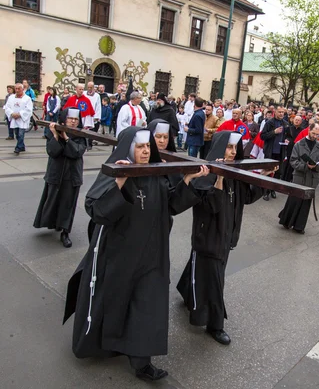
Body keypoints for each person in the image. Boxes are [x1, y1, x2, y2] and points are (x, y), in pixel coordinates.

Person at [63, 126, 211, 381]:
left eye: (147, 146)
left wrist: (187, 181)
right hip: (120, 253)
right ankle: (107, 344)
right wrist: (120, 184)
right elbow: (96, 210)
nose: (145, 151)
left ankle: (141, 362)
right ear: (128, 147)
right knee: (117, 302)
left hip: (153, 253)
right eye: (140, 146)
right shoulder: (116, 170)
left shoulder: (157, 173)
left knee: (147, 306)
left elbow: (171, 206)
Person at [177, 131, 276, 345]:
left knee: (205, 270)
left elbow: (247, 197)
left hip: (227, 234)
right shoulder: (205, 173)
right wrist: (219, 177)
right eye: (228, 147)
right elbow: (211, 205)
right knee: (215, 279)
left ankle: (187, 291)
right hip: (209, 235)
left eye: (235, 148)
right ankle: (215, 324)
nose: (231, 153)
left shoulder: (236, 172)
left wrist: (264, 175)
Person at [34, 108, 87, 247]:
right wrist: (56, 136)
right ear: (64, 119)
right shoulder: (53, 132)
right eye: (71, 119)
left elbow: (76, 152)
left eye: (76, 119)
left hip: (72, 174)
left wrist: (67, 138)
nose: (74, 121)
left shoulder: (81, 135)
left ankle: (65, 232)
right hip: (56, 173)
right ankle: (51, 222)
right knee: (52, 200)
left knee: (67, 203)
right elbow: (52, 151)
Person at [279, 123, 319, 233]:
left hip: (312, 179)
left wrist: (316, 166)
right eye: (313, 133)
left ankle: (299, 226)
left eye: (317, 134)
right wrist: (305, 166)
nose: (315, 136)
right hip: (299, 177)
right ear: (308, 131)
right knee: (294, 200)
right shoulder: (299, 144)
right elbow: (293, 161)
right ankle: (287, 222)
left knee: (306, 204)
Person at [260, 106, 289, 200]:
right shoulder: (269, 122)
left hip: (280, 152)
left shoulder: (286, 124)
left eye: (283, 112)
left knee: (278, 172)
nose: (281, 114)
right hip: (270, 151)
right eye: (279, 112)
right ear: (275, 112)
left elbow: (289, 136)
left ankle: (272, 189)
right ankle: (265, 192)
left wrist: (287, 140)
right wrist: (274, 132)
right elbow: (263, 136)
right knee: (268, 171)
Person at [3, 83, 33, 155]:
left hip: (22, 119)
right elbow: (7, 107)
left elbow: (29, 110)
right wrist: (12, 113)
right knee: (16, 133)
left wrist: (20, 114)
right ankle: (22, 146)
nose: (17, 90)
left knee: (21, 134)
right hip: (14, 118)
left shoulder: (27, 99)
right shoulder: (11, 97)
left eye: (19, 88)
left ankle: (18, 148)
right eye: (16, 88)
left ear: (22, 89)